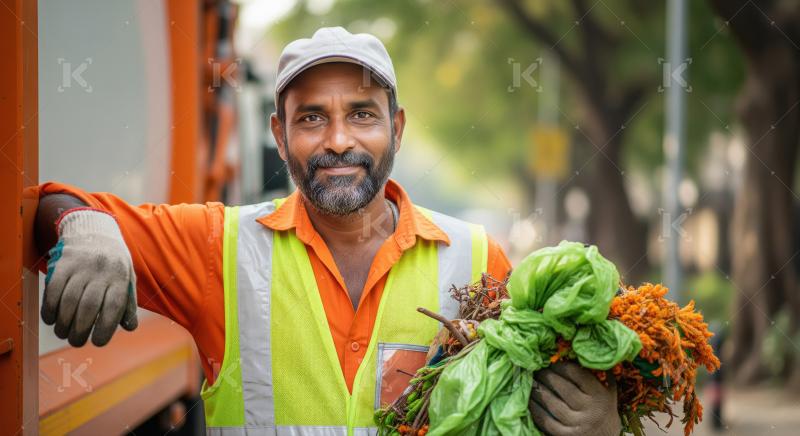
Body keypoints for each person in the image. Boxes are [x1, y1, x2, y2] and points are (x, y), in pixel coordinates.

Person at [34, 27, 620, 435]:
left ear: (397, 127)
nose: (338, 139)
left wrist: (597, 426)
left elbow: (518, 413)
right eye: (312, 117)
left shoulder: (477, 259)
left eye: (362, 114)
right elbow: (40, 204)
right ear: (280, 135)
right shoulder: (221, 247)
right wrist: (83, 223)